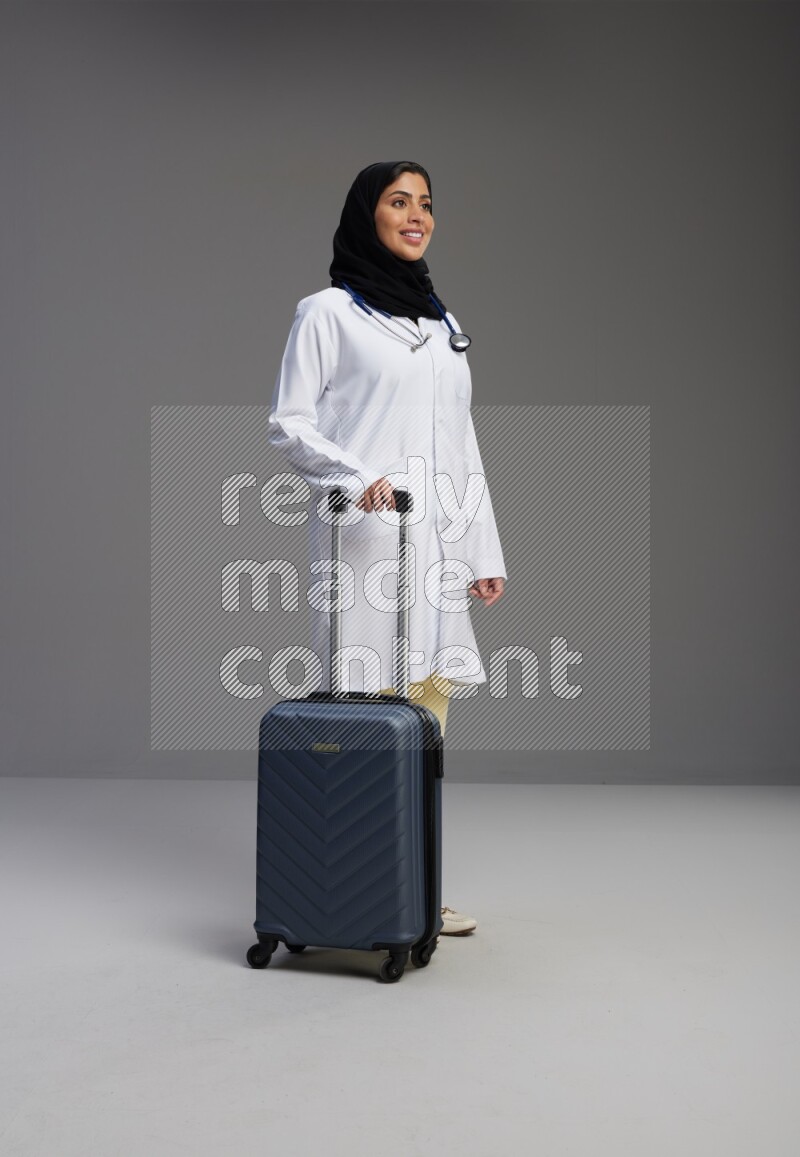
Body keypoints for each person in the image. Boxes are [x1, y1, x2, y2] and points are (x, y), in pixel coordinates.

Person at [267, 160, 506, 935]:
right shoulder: (328, 313)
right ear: (367, 214)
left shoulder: (440, 324)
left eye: (426, 203)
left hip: (435, 546)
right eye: (399, 201)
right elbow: (289, 423)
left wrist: (482, 551)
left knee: (427, 720)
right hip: (365, 541)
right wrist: (357, 472)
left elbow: (460, 444)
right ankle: (353, 891)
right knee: (365, 712)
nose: (416, 215)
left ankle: (415, 889)